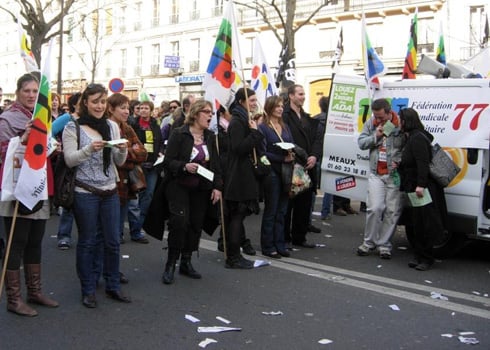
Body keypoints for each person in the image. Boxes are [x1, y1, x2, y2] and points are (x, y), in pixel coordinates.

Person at [63, 83, 130, 308]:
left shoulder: (112, 126)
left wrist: (122, 150)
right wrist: (90, 149)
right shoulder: (73, 127)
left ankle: (112, 286)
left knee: (112, 241)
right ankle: (88, 288)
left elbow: (118, 162)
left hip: (110, 190)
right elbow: (69, 160)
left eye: (103, 101)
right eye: (95, 102)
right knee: (88, 242)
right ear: (85, 103)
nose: (100, 106)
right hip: (85, 192)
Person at [0, 73, 59, 316]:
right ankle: (14, 299)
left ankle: (34, 291)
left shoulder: (40, 117)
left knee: (35, 241)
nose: (32, 95)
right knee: (17, 243)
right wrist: (22, 139)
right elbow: (3, 152)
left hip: (39, 183)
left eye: (36, 91)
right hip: (16, 187)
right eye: (27, 91)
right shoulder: (7, 118)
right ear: (18, 93)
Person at [161, 99, 222, 284]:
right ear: (195, 114)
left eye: (211, 113)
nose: (210, 116)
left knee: (195, 225)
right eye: (206, 112)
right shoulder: (180, 134)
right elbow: (168, 161)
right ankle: (171, 263)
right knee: (179, 223)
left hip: (201, 188)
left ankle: (186, 262)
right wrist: (184, 166)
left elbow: (216, 165)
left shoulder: (211, 136)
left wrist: (217, 186)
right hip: (179, 185)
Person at [398, 108, 447, 271]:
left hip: (422, 188)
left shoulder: (418, 138)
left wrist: (421, 185)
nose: (399, 123)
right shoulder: (412, 137)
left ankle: (426, 258)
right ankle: (419, 255)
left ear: (407, 121)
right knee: (416, 222)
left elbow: (422, 164)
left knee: (424, 223)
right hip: (414, 185)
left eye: (401, 120)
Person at [357, 98, 405, 259]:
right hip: (376, 172)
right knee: (375, 208)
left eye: (381, 117)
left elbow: (408, 146)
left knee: (392, 211)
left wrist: (401, 160)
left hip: (393, 174)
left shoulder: (400, 124)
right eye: (376, 116)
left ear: (389, 112)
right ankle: (368, 242)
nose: (378, 120)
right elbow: (361, 143)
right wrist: (375, 136)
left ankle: (384, 245)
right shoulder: (371, 123)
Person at [223, 88, 264, 269]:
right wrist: (255, 133)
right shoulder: (238, 122)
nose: (254, 103)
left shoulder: (244, 119)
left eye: (255, 100)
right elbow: (239, 148)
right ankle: (233, 256)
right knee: (237, 216)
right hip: (239, 175)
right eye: (251, 100)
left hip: (243, 174)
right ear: (241, 101)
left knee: (238, 216)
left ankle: (234, 254)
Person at [282, 84, 323, 248]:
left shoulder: (307, 117)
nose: (303, 97)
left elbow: (316, 140)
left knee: (304, 203)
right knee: (288, 204)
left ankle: (300, 236)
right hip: (292, 165)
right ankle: (284, 237)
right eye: (300, 94)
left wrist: (313, 156)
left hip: (307, 167)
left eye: (303, 94)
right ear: (291, 96)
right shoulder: (284, 115)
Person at [106, 93, 148, 244]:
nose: (126, 112)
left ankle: (128, 234)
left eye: (127, 108)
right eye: (122, 108)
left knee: (126, 210)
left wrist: (126, 151)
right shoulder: (104, 128)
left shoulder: (127, 128)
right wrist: (130, 152)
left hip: (126, 183)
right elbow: (111, 158)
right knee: (109, 225)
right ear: (110, 109)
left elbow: (143, 153)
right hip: (109, 182)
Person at [215, 106, 256, 256]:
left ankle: (234, 242)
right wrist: (254, 133)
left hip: (232, 170)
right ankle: (233, 248)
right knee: (234, 212)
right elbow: (235, 147)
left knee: (236, 212)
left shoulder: (233, 122)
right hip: (227, 169)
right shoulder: (219, 126)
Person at [258, 95, 294, 258]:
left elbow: (292, 143)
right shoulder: (263, 127)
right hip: (271, 172)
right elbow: (262, 153)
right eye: (277, 106)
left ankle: (280, 244)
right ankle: (267, 245)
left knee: (282, 211)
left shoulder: (285, 127)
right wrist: (281, 158)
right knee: (271, 210)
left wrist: (292, 153)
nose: (280, 108)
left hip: (286, 171)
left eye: (282, 106)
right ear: (270, 108)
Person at [129, 100, 163, 243]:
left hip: (153, 165)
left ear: (151, 110)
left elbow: (160, 142)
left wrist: (160, 153)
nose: (143, 110)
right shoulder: (133, 125)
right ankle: (134, 228)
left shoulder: (155, 125)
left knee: (148, 196)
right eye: (141, 108)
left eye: (146, 108)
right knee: (135, 197)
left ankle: (139, 225)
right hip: (138, 165)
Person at [52, 92, 82, 249]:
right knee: (68, 198)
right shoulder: (67, 118)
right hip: (69, 163)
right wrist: (56, 145)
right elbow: (50, 130)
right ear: (75, 104)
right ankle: (64, 235)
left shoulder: (91, 120)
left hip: (85, 164)